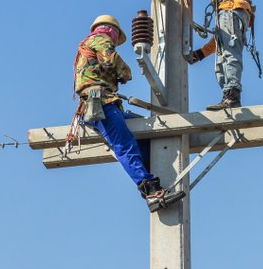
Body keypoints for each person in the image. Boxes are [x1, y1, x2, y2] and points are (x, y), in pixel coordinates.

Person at [74, 14, 185, 212]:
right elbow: (110, 60)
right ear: (111, 30)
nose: (115, 40)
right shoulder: (100, 39)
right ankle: (150, 191)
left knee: (144, 130)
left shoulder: (88, 44)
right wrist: (125, 73)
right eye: (116, 35)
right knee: (124, 145)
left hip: (106, 104)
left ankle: (151, 171)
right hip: (100, 105)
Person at [183, 0, 254, 110]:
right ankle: (228, 96)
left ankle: (232, 96)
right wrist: (200, 54)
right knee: (220, 63)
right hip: (232, 13)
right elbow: (219, 40)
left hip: (232, 8)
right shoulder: (222, 7)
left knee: (229, 53)